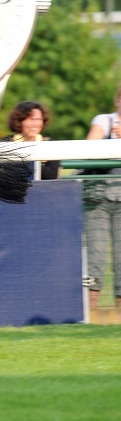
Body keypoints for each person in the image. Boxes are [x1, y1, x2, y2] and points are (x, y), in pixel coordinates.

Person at [83, 85, 121, 310]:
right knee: (94, 260)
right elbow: (89, 149)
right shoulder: (104, 120)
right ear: (117, 100)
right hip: (98, 198)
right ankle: (91, 311)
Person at [3, 100, 60, 180]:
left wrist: (26, 161)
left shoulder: (49, 144)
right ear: (19, 121)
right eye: (30, 119)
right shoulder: (6, 143)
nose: (35, 124)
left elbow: (52, 175)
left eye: (38, 119)